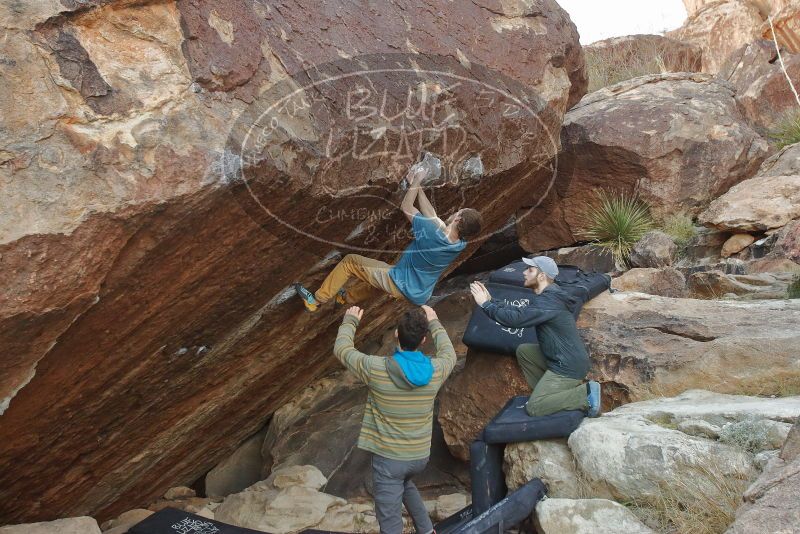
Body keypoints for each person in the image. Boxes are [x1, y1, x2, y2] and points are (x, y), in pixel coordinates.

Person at [333, 304, 457, 534]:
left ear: (396, 334)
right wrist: (435, 322)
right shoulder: (436, 370)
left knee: (390, 522)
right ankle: (427, 530)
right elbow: (449, 353)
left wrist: (350, 320)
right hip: (419, 456)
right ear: (423, 341)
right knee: (405, 483)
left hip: (390, 461)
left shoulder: (375, 368)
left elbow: (341, 349)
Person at [295, 165, 483, 311]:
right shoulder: (459, 243)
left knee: (350, 262)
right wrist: (415, 186)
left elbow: (408, 207)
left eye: (459, 212)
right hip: (418, 292)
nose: (455, 212)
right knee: (380, 277)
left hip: (400, 282)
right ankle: (345, 297)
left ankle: (316, 301)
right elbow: (432, 215)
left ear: (458, 219)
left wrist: (417, 179)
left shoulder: (431, 235)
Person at [469, 256, 601, 418]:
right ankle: (551, 397)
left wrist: (485, 304)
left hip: (568, 365)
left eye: (530, 270)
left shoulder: (549, 302)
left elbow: (515, 320)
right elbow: (519, 313)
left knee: (534, 408)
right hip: (560, 358)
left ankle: (583, 394)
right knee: (525, 351)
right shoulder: (549, 296)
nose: (524, 273)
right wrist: (492, 300)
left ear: (541, 276)